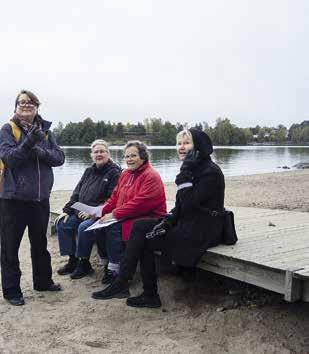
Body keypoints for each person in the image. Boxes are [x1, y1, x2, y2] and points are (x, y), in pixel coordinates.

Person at [92, 129, 225, 308]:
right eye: (179, 143)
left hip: (203, 229)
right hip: (188, 222)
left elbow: (188, 204)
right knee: (141, 227)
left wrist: (184, 172)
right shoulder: (194, 167)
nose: (181, 147)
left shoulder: (210, 172)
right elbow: (180, 207)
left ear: (199, 147)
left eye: (187, 143)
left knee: (146, 238)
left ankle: (138, 289)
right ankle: (128, 286)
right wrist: (168, 221)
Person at [0, 90, 65, 306]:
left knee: (40, 243)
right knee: (10, 246)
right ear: (16, 106)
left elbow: (59, 158)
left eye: (30, 102)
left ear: (37, 106)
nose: (26, 105)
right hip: (13, 199)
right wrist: (29, 144)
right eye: (22, 102)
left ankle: (43, 282)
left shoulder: (46, 131)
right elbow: (10, 158)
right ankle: (12, 291)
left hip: (40, 198)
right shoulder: (7, 130)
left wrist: (38, 150)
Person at [92, 140, 167, 287]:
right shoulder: (125, 174)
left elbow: (140, 204)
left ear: (143, 156)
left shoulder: (151, 176)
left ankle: (116, 269)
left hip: (147, 217)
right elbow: (114, 197)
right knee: (98, 225)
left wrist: (114, 215)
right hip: (128, 214)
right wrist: (101, 211)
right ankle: (107, 264)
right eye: (126, 157)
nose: (129, 159)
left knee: (113, 227)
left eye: (133, 156)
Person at [54, 139, 121, 279]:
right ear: (92, 155)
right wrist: (67, 210)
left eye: (102, 151)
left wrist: (94, 212)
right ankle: (73, 260)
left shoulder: (114, 173)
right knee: (63, 223)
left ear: (108, 154)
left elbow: (112, 198)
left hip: (99, 214)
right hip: (80, 211)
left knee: (84, 228)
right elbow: (77, 193)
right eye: (96, 152)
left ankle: (84, 263)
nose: (99, 154)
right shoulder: (88, 171)